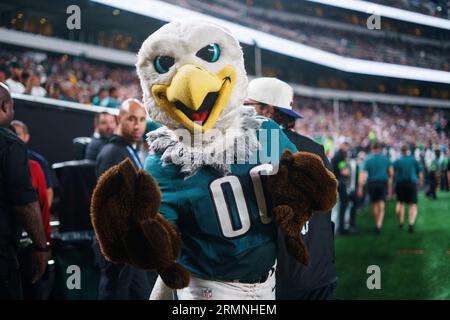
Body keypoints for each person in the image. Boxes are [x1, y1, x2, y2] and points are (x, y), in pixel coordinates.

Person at [245, 77, 337, 300]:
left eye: (247, 106)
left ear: (266, 111)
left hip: (280, 279)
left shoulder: (251, 148)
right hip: (320, 272)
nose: (240, 112)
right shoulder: (315, 149)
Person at [94, 98, 156, 300]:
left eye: (141, 119)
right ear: (119, 119)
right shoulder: (114, 153)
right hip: (119, 243)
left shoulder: (128, 151)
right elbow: (111, 206)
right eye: (131, 119)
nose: (137, 125)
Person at [0, 82, 49, 299]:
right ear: (4, 106)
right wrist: (40, 247)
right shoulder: (10, 144)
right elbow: (26, 203)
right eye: (12, 107)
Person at [11, 120, 55, 208]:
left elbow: (48, 192)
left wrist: (42, 218)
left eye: (18, 134)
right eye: (11, 134)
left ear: (26, 137)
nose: (14, 138)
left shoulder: (38, 161)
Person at [358, 142, 393, 234]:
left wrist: (360, 187)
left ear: (372, 149)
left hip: (372, 183)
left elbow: (362, 174)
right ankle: (379, 224)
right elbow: (391, 173)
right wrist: (390, 185)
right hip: (382, 183)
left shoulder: (368, 159)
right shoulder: (386, 158)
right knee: (381, 203)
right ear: (380, 149)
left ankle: (376, 223)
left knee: (374, 204)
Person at [393, 145, 423, 233]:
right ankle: (410, 224)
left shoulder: (397, 161)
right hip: (411, 183)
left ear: (401, 151)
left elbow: (392, 172)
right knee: (413, 205)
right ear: (408, 151)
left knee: (400, 203)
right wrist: (420, 183)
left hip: (400, 183)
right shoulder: (413, 160)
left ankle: (401, 223)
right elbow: (420, 173)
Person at [331, 141, 351, 235]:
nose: (347, 149)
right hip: (339, 183)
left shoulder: (338, 155)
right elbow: (344, 171)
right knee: (343, 205)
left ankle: (340, 227)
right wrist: (348, 172)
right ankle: (341, 228)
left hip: (336, 183)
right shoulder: (340, 156)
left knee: (340, 206)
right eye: (346, 146)